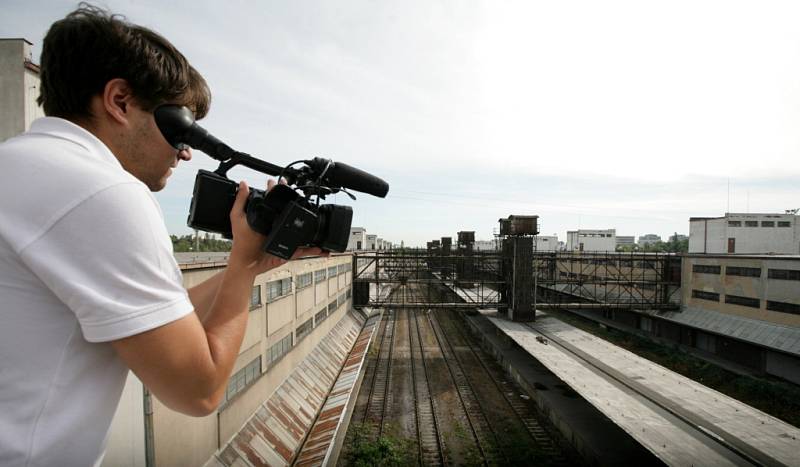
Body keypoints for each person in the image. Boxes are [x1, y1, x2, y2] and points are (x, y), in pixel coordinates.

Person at [0, 5, 319, 466]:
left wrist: (244, 265)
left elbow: (161, 320)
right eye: (180, 128)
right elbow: (198, 391)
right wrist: (243, 277)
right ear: (120, 100)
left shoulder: (19, 167)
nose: (187, 152)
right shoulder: (103, 192)